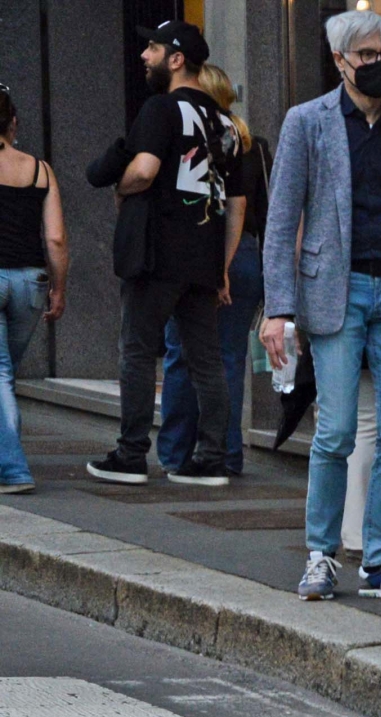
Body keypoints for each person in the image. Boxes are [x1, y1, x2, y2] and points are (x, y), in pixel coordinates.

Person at [263, 9, 381, 602]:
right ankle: (320, 553)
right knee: (335, 431)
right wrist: (278, 308)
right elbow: (282, 215)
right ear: (340, 61)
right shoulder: (306, 122)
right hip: (334, 293)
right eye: (366, 57)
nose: (378, 66)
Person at [89, 20, 244, 490]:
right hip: (203, 260)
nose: (144, 56)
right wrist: (222, 267)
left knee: (137, 350)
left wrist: (122, 186)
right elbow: (236, 206)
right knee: (206, 360)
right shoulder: (227, 124)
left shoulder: (161, 109)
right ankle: (211, 458)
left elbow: (143, 170)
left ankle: (131, 454)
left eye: (152, 48)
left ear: (176, 59)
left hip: (157, 255)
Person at [155, 64, 265, 481]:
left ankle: (176, 452)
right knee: (228, 359)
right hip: (248, 254)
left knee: (181, 355)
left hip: (199, 252)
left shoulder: (189, 143)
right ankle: (225, 454)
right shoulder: (254, 146)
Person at [0, 82, 66, 495]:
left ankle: (13, 469)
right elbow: (56, 238)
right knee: (6, 372)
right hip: (30, 281)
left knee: (1, 373)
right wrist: (58, 289)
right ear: (14, 123)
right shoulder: (41, 169)